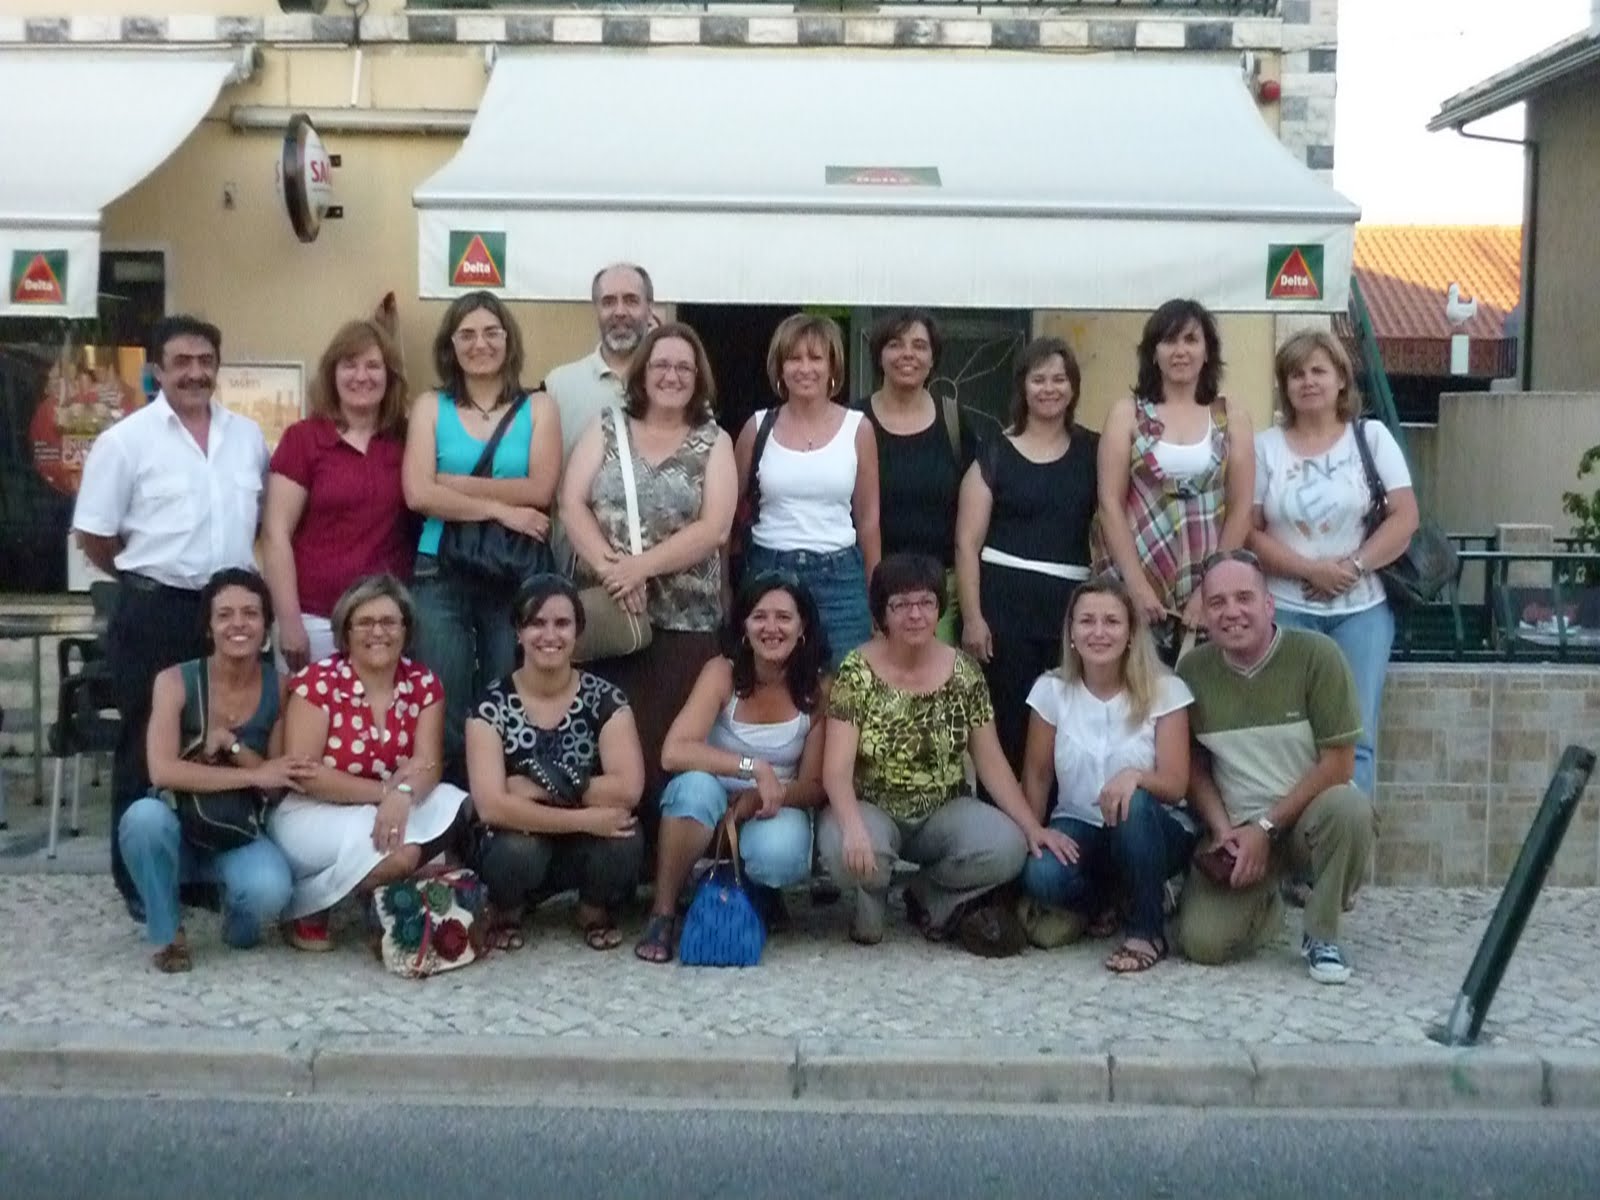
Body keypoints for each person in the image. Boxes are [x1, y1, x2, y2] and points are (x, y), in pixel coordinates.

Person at [73, 315, 269, 911]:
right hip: (154, 609)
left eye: (205, 361)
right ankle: (139, 884)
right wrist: (143, 577)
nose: (195, 372)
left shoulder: (248, 438)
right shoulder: (125, 442)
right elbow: (95, 535)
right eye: (181, 361)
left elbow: (258, 525)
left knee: (218, 738)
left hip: (228, 618)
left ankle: (199, 868)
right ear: (156, 369)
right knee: (144, 744)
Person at [816, 553, 1074, 955]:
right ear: (882, 614)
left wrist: (1031, 826)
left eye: (926, 602)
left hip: (943, 810)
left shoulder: (965, 673)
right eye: (901, 605)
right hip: (874, 806)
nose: (915, 615)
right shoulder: (856, 671)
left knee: (1009, 847)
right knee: (841, 846)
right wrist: (851, 826)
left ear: (939, 609)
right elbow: (836, 769)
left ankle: (928, 893)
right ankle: (871, 897)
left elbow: (990, 761)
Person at [560, 322, 737, 821]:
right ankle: (613, 845)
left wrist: (640, 568)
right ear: (642, 373)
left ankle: (669, 855)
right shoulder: (607, 427)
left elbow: (715, 528)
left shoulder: (714, 441)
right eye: (661, 365)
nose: (671, 376)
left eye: (683, 367)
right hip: (613, 621)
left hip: (685, 625)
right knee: (609, 747)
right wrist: (612, 572)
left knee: (668, 749)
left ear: (698, 377)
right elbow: (571, 504)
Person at [1174, 550, 1375, 984]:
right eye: (1217, 602)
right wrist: (1223, 830)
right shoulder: (1192, 671)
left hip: (1306, 820)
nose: (1231, 612)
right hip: (1238, 827)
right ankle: (1269, 901)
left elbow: (1340, 764)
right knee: (1202, 944)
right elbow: (1193, 765)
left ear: (1269, 605)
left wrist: (1266, 828)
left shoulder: (1317, 656)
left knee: (1351, 810)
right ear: (1205, 614)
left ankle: (1322, 934)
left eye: (1244, 598)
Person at [1249, 330, 1418, 796]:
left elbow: (1405, 517)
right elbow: (1250, 531)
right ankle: (1289, 834)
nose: (1308, 382)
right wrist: (1310, 571)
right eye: (1296, 374)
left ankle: (1348, 835)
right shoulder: (1265, 447)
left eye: (1318, 371)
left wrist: (1354, 567)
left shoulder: (1372, 438)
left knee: (1355, 737)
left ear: (1341, 379)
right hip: (1286, 609)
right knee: (1289, 736)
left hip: (1361, 611)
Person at [403, 291, 562, 784]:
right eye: (467, 334)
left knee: (506, 691)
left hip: (512, 571)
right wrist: (501, 510)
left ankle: (498, 799)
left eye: (492, 332)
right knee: (442, 694)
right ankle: (449, 803)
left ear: (508, 340)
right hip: (439, 569)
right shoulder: (430, 406)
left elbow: (540, 488)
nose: (480, 344)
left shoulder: (539, 406)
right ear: (450, 345)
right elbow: (417, 494)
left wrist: (448, 483)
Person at [636, 571, 831, 963]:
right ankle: (663, 911)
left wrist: (758, 795)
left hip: (773, 804)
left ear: (803, 628)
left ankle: (755, 889)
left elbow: (813, 785)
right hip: (710, 796)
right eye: (759, 616)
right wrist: (751, 765)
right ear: (743, 626)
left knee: (779, 854)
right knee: (692, 791)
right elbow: (674, 752)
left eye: (784, 617)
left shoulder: (818, 687)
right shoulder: (721, 672)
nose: (771, 628)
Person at [118, 568, 308, 972]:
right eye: (224, 615)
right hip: (178, 822)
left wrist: (235, 748)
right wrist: (251, 775)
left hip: (237, 827)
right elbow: (162, 771)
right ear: (208, 627)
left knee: (270, 891)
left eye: (250, 613)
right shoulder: (174, 680)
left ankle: (234, 917)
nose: (238, 624)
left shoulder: (281, 687)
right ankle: (168, 933)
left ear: (266, 625)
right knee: (142, 819)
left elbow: (276, 783)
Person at [268, 575, 470, 950]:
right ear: (345, 633)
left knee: (451, 800)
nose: (378, 632)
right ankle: (305, 905)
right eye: (365, 622)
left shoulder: (423, 683)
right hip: (313, 811)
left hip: (388, 806)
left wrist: (404, 793)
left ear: (406, 630)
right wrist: (387, 793)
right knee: (402, 858)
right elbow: (307, 774)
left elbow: (428, 762)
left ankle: (374, 889)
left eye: (389, 622)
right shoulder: (318, 683)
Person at [1017, 577, 1197, 972]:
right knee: (1041, 875)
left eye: (1112, 621)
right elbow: (1038, 775)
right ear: (1071, 632)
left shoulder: (1165, 690)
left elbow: (1175, 784)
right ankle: (1111, 900)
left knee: (1134, 805)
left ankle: (1147, 932)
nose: (1098, 632)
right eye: (1087, 621)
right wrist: (1033, 833)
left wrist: (1135, 776)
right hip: (1078, 821)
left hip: (1152, 827)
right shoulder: (1051, 690)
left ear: (1131, 633)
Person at [466, 576, 644, 952]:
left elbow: (628, 788)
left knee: (625, 838)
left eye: (562, 623)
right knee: (516, 852)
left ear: (578, 632)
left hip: (580, 843)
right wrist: (585, 817)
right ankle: (508, 909)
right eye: (536, 623)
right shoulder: (490, 705)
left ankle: (593, 909)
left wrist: (536, 783)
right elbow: (492, 806)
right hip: (522, 840)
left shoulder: (606, 699)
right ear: (518, 632)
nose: (550, 635)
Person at [955, 337, 1099, 774]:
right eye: (1039, 379)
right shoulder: (994, 452)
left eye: (1059, 379)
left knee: (1065, 722)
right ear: (1022, 386)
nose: (1049, 388)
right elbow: (966, 543)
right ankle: (1002, 814)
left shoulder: (1094, 451)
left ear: (1073, 387)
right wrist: (973, 618)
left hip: (1068, 609)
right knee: (1007, 723)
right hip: (1003, 608)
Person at [1094, 299, 1255, 659]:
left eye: (1191, 340)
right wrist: (1137, 586)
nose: (1180, 351)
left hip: (1209, 582)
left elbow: (1241, 508)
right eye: (1168, 341)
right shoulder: (1126, 415)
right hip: (1135, 578)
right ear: (1153, 353)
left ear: (1208, 351)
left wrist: (1210, 587)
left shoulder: (1232, 417)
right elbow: (1109, 504)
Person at [262, 318, 415, 672]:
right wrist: (289, 622)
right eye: (349, 365)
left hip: (385, 623)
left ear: (390, 375)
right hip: (315, 619)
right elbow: (275, 533)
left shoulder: (407, 440)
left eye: (373, 366)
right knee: (308, 710)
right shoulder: (303, 439)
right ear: (332, 374)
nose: (361, 376)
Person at [735, 314, 881, 670]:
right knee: (771, 681)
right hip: (768, 572)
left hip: (840, 576)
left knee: (845, 683)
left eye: (815, 358)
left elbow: (868, 521)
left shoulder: (858, 429)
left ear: (833, 366)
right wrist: (726, 590)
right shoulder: (757, 427)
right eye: (794, 358)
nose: (805, 368)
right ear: (780, 368)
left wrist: (877, 596)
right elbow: (731, 516)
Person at [858, 309, 985, 644]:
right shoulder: (855, 421)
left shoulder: (954, 421)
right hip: (869, 587)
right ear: (879, 355)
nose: (908, 354)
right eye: (895, 344)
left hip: (938, 594)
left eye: (919, 346)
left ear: (932, 359)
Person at [545, 262, 654, 464]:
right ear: (596, 309)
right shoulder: (558, 385)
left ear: (649, 309)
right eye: (608, 302)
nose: (619, 311)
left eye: (631, 301)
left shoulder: (673, 384)